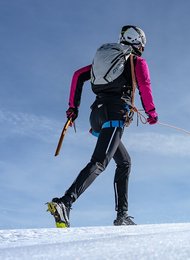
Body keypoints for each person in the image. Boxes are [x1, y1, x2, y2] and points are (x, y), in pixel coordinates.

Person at [47, 25, 158, 227]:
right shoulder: (136, 61)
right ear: (138, 42)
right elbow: (145, 86)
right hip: (115, 114)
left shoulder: (105, 62)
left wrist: (73, 108)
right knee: (99, 162)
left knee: (124, 162)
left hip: (97, 116)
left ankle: (122, 215)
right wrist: (151, 112)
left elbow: (78, 76)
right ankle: (65, 202)